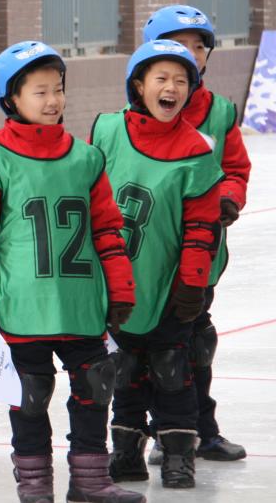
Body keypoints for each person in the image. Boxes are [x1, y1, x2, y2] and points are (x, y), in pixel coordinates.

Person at [0, 41, 144, 503]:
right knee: (30, 396)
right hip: (21, 305)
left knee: (96, 385)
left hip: (80, 302)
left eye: (58, 89)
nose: (53, 100)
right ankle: (35, 485)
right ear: (11, 99)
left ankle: (91, 481)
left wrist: (120, 291)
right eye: (40, 92)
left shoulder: (86, 158)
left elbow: (107, 231)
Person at [90, 40, 223, 489]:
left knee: (171, 370)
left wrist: (192, 283)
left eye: (181, 81)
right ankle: (126, 452)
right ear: (138, 85)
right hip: (116, 281)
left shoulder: (195, 150)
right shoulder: (108, 130)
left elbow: (202, 226)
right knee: (124, 368)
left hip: (167, 283)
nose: (172, 88)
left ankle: (179, 457)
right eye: (161, 78)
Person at [141, 5, 250, 463]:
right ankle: (159, 431)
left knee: (193, 343)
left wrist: (226, 198)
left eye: (198, 46)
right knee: (146, 347)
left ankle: (200, 430)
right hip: (145, 254)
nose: (190, 53)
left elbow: (235, 168)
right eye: (178, 44)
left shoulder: (219, 113)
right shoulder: (135, 114)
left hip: (199, 252)